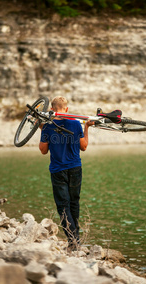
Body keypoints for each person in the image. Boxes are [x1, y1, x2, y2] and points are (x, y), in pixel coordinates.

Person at [39, 96, 94, 248]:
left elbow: (43, 150)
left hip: (58, 169)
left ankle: (73, 240)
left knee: (63, 205)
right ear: (67, 109)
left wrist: (43, 130)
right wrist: (86, 128)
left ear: (51, 109)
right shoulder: (76, 124)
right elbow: (83, 147)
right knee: (74, 202)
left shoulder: (48, 126)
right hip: (75, 168)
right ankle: (75, 239)